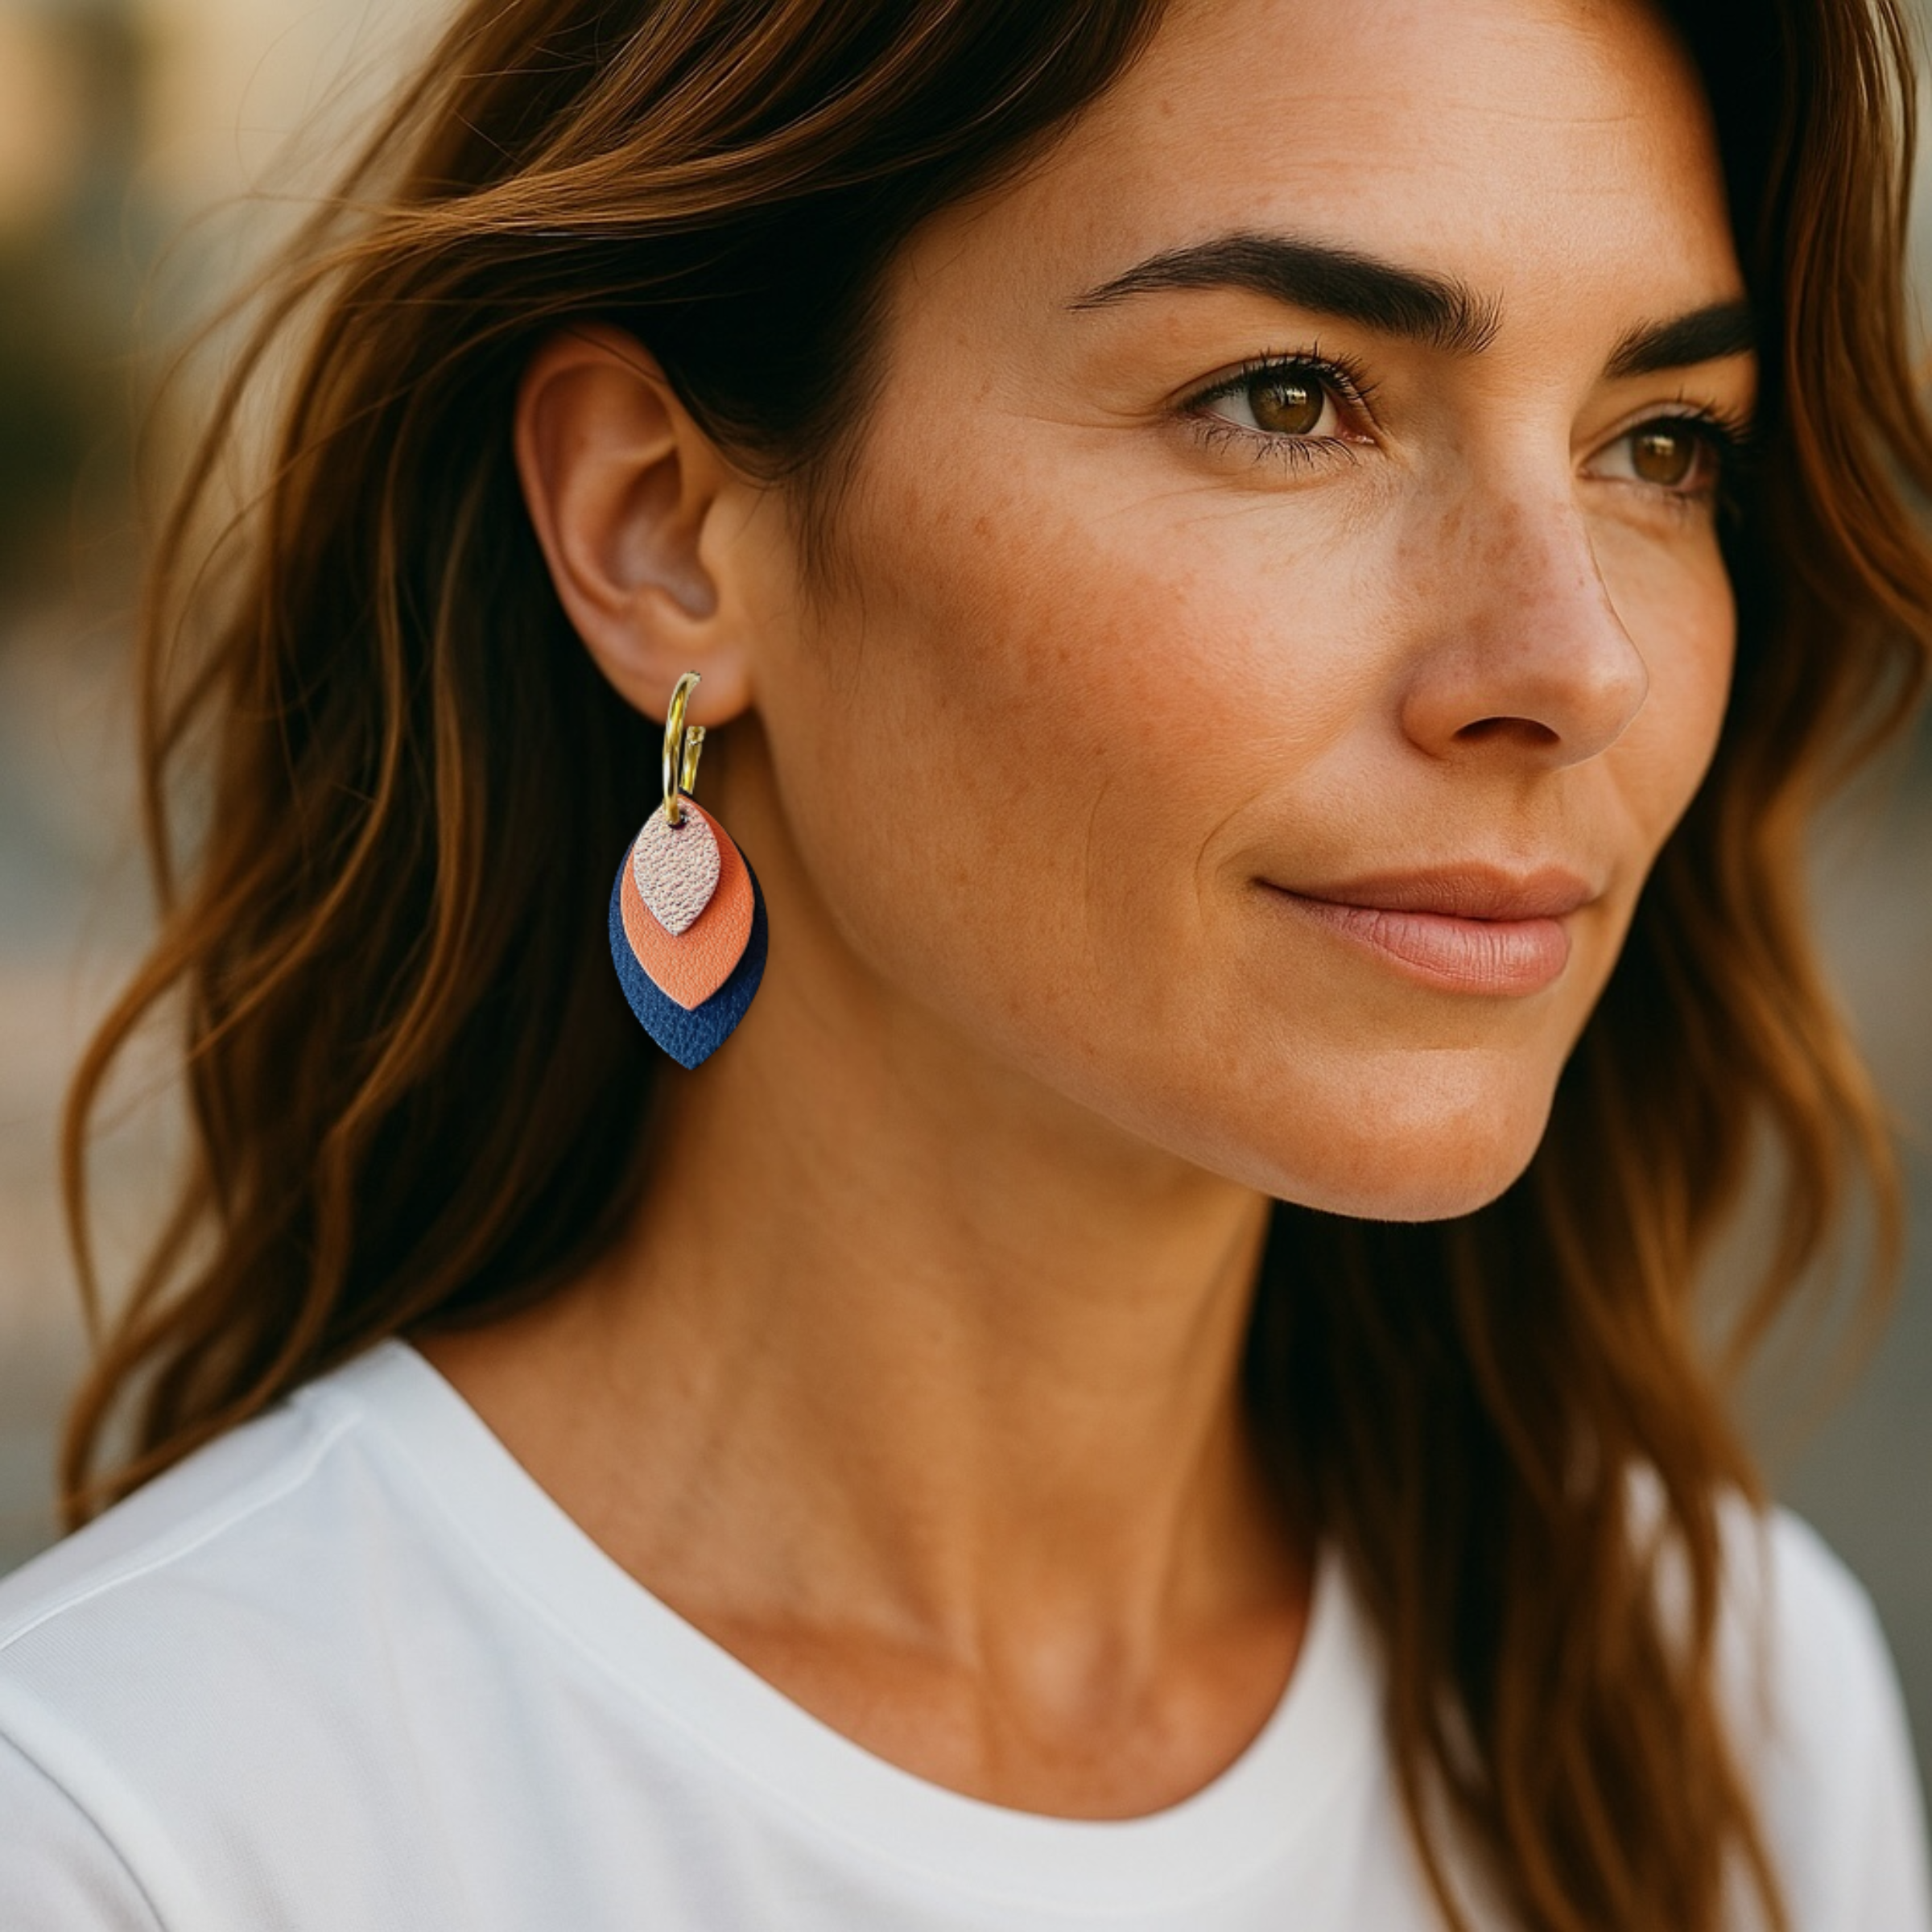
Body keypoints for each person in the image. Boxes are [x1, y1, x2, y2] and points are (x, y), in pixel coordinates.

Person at [2, 0, 1929, 1925]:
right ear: (660, 531)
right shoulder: (136, 1832)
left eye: (1661, 444)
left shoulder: (1722, 1715)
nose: (1574, 663)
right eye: (1287, 399)